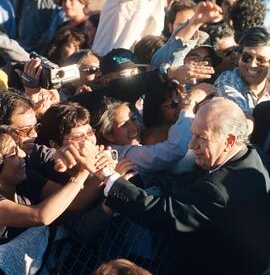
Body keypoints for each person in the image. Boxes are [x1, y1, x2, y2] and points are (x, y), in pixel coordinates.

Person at [59, 97, 270, 275]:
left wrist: (104, 173)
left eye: (201, 137)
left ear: (230, 140)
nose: (191, 144)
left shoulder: (218, 190)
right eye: (193, 133)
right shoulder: (251, 154)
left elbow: (161, 214)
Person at [215, 26, 270, 115]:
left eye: (261, 60)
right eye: (247, 58)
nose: (252, 64)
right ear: (239, 56)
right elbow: (243, 118)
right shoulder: (227, 80)